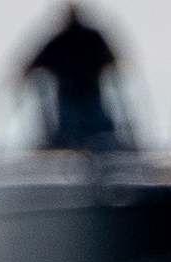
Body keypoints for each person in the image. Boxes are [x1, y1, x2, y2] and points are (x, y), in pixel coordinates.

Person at [22, 5, 126, 152]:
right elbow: (31, 65)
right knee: (74, 131)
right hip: (71, 98)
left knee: (98, 132)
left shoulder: (90, 38)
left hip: (89, 97)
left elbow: (113, 60)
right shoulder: (60, 42)